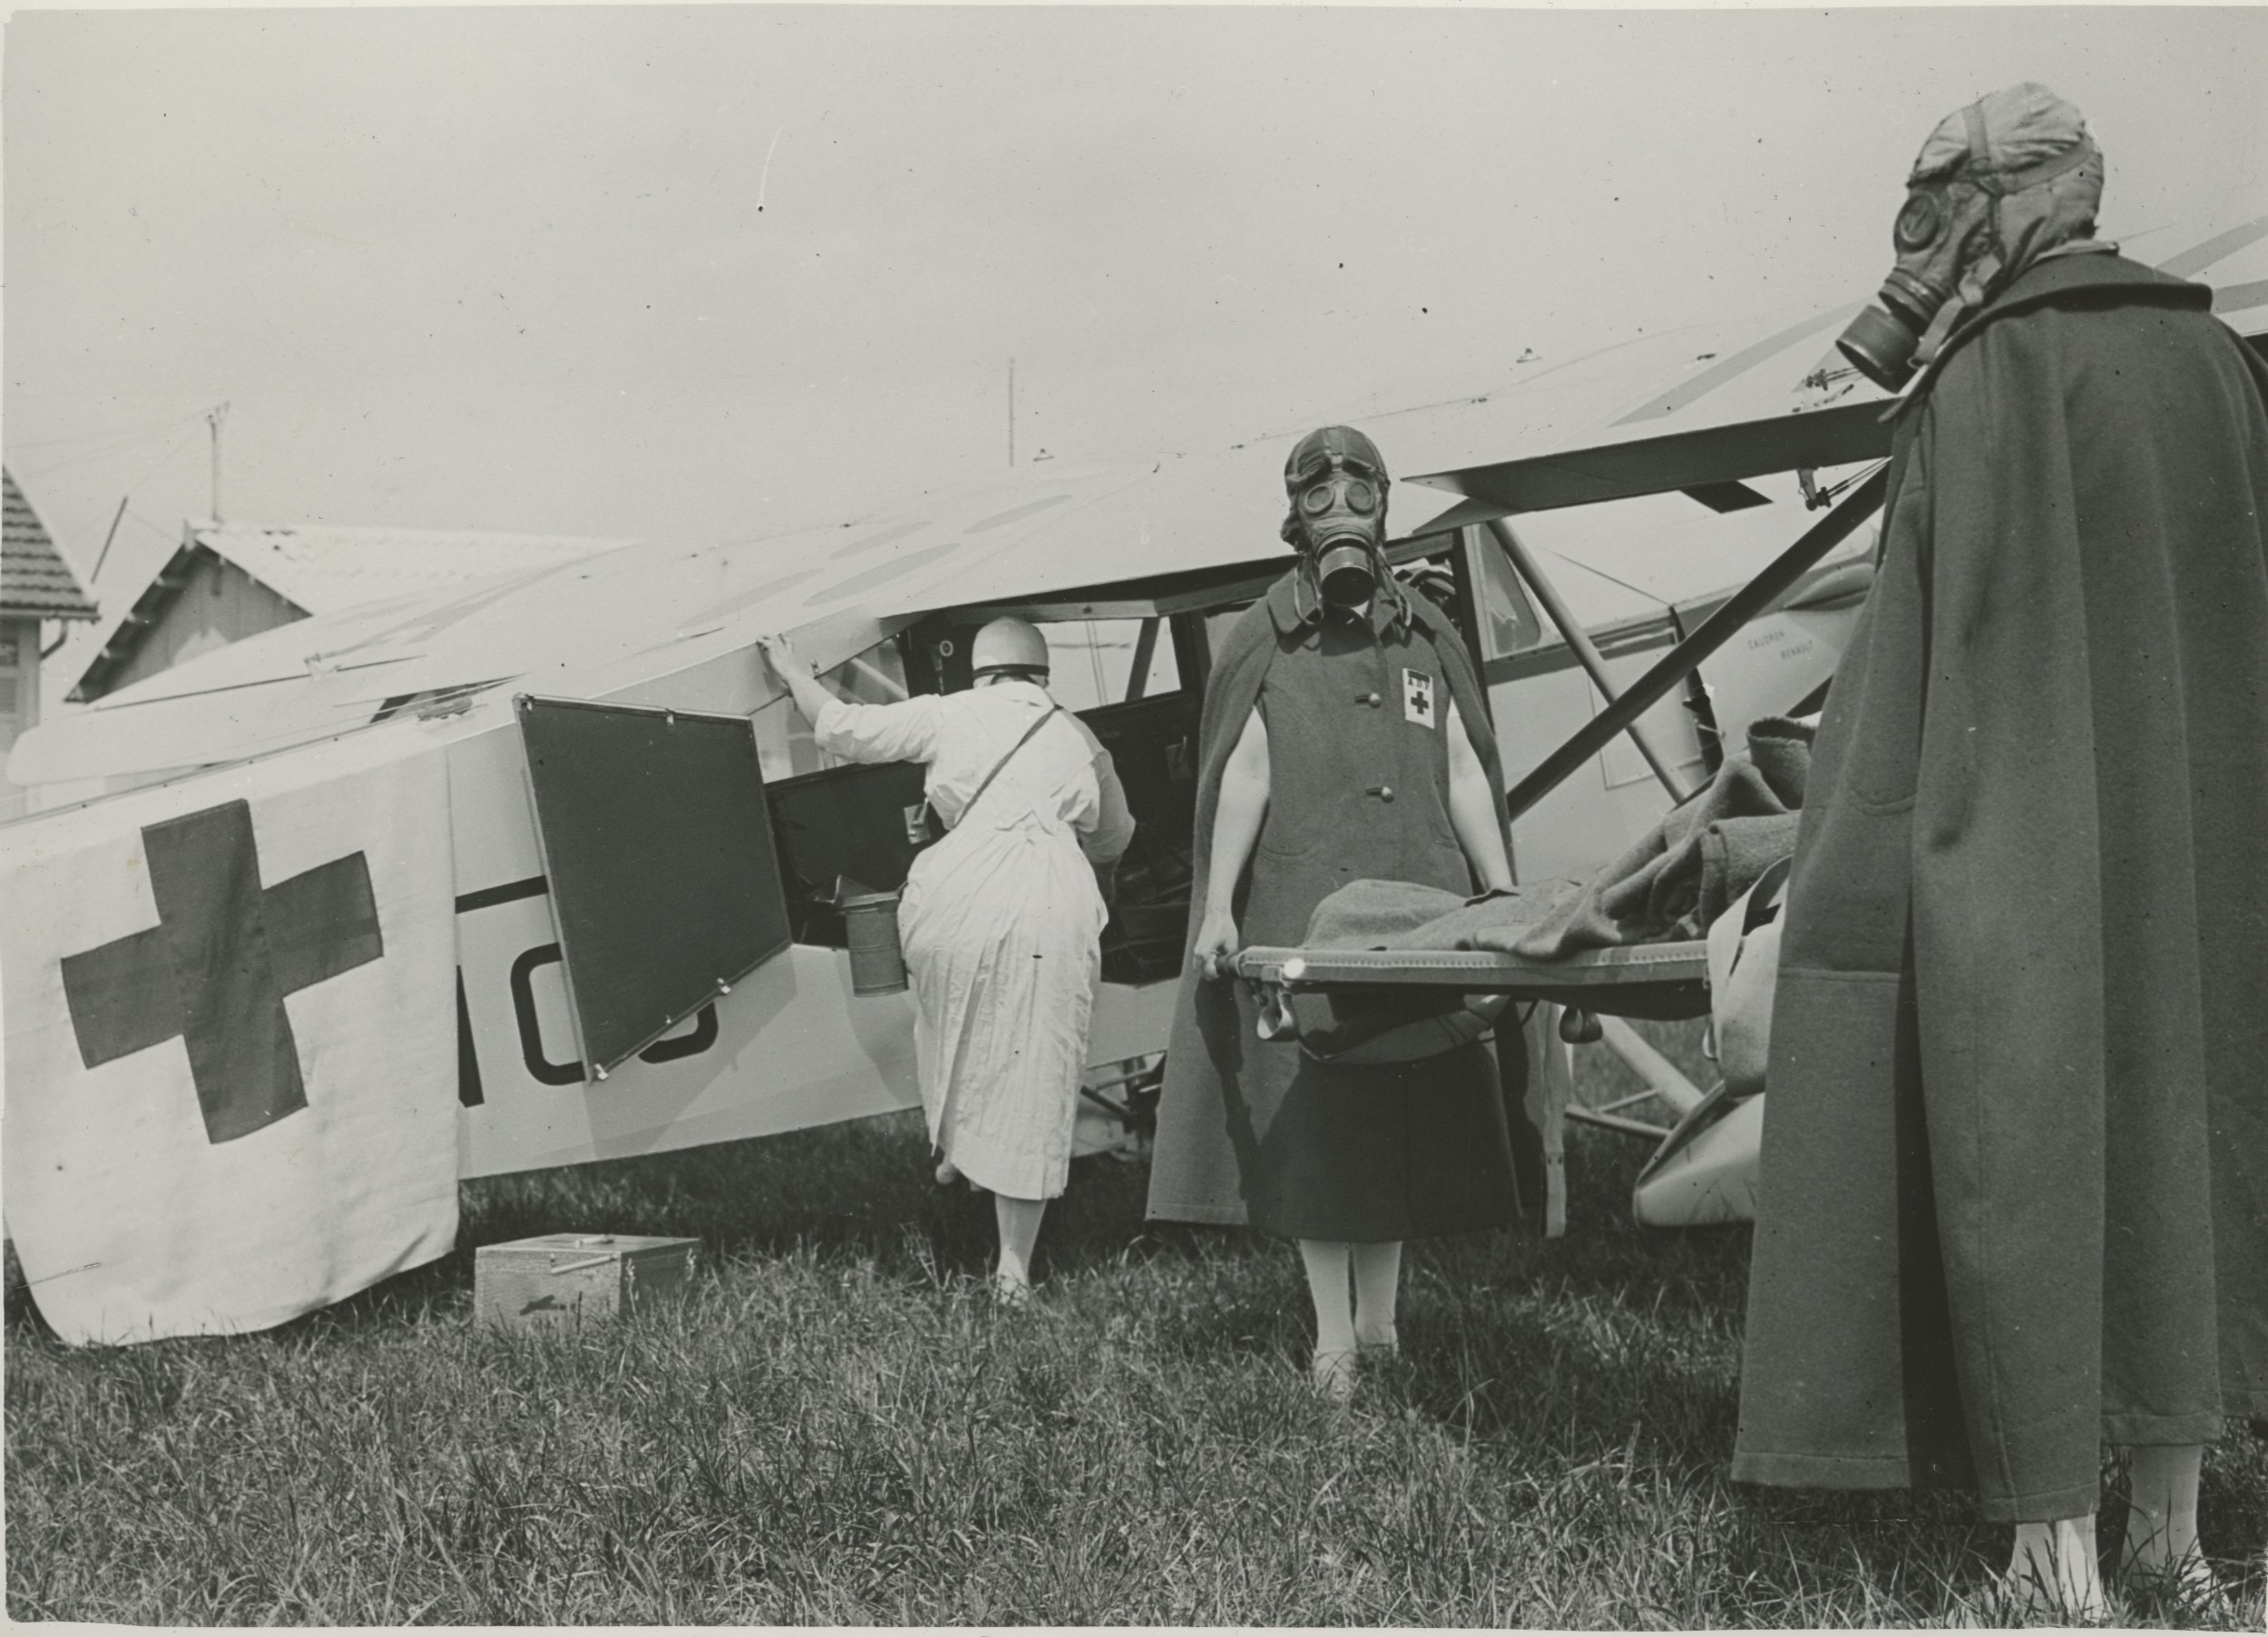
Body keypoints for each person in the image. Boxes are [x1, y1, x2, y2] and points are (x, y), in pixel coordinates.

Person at [1732, 83, 2268, 1618]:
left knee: (2023, 1160)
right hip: (2210, 856)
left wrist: (1838, 865)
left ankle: (2059, 1559)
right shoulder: (2224, 365)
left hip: (2020, 852)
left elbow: (1897, 685)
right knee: (2192, 1150)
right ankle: (2176, 1531)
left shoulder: (1974, 385)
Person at [1145, 424, 1529, 1401]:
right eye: (1321, 497)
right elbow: (1245, 770)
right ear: (1294, 515)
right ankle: (1331, 1344)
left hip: (1420, 908)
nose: (1343, 514)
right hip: (1301, 913)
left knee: (1398, 1115)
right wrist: (1219, 908)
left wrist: (1501, 893)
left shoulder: (1426, 633)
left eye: (1360, 493)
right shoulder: (1264, 636)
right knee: (1323, 1134)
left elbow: (1461, 768)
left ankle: (1382, 1326)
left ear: (1385, 506)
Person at [758, 619, 1134, 1304]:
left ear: (983, 671)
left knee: (953, 1031)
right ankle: (1013, 1268)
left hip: (957, 896)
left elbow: (845, 727)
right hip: (1052, 896)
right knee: (1038, 1067)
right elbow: (1114, 836)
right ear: (1043, 676)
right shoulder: (1078, 736)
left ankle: (959, 1153)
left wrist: (791, 675)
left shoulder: (951, 712)